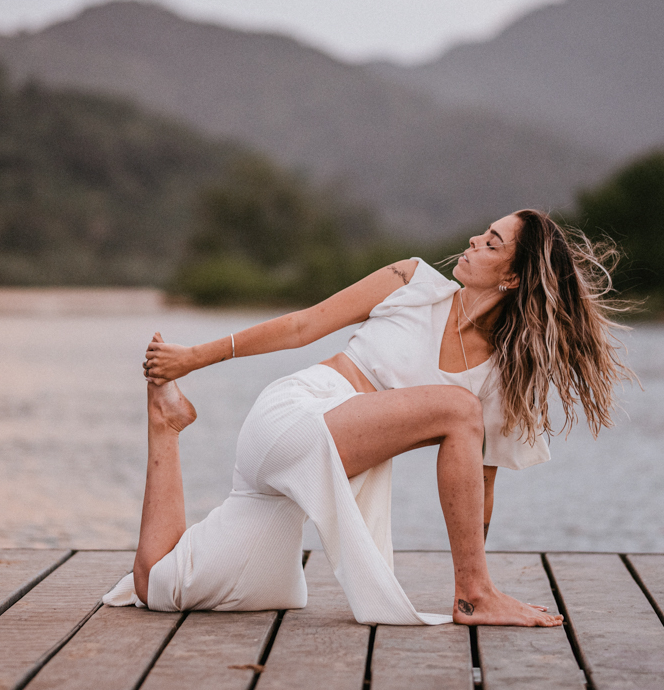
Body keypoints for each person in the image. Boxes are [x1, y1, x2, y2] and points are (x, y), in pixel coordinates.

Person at [104, 209, 632, 626]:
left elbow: (481, 482)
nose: (474, 241)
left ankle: (165, 425)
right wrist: (193, 357)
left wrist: (477, 554)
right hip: (296, 413)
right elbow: (301, 326)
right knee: (456, 407)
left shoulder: (504, 377)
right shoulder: (412, 281)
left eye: (493, 243)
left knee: (164, 586)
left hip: (309, 464)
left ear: (515, 278)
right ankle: (473, 597)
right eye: (482, 233)